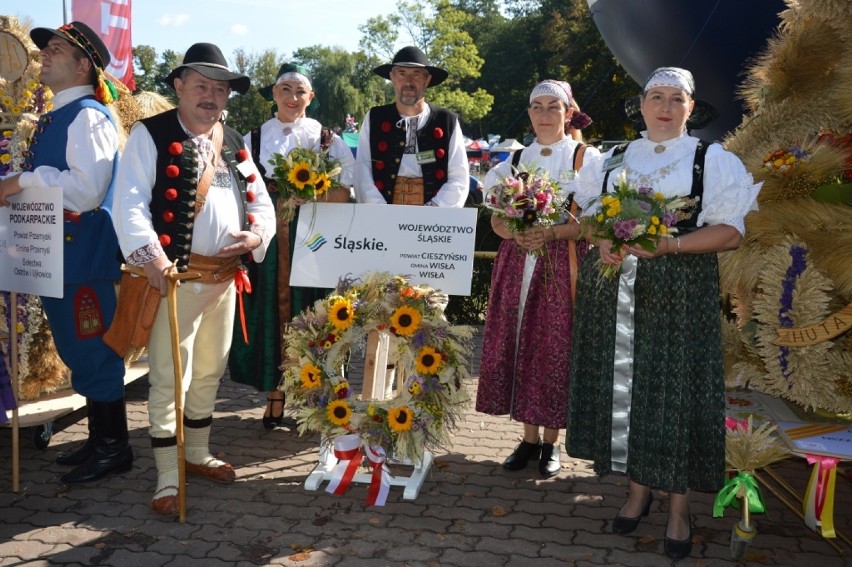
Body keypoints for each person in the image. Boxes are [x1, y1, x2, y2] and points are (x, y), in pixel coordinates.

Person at [566, 67, 761, 559]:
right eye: (657, 96)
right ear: (642, 104)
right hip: (614, 288)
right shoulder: (612, 158)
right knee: (626, 386)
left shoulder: (709, 159)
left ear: (691, 108)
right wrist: (605, 240)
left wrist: (670, 244)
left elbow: (732, 233)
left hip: (679, 287)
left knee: (672, 393)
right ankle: (637, 489)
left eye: (677, 98)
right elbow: (589, 219)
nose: (666, 106)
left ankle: (678, 506)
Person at [111, 43, 275, 516]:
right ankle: (167, 477)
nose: (211, 95)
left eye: (220, 88)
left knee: (207, 373)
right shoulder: (151, 134)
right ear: (179, 86)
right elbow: (129, 204)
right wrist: (154, 262)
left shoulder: (236, 140)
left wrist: (256, 234)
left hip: (225, 280)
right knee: (167, 379)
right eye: (201, 85)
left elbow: (259, 199)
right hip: (175, 280)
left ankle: (196, 454)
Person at [0, 21, 132, 484]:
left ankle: (115, 447)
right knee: (78, 348)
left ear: (83, 66)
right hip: (63, 255)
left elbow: (86, 192)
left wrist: (23, 181)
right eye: (46, 49)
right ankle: (100, 439)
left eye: (56, 50)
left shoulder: (89, 117)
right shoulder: (60, 116)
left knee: (94, 349)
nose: (45, 56)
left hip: (82, 255)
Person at [475, 80, 600, 478]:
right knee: (521, 344)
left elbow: (596, 225)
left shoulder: (585, 159)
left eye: (553, 107)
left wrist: (553, 232)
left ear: (568, 113)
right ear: (529, 113)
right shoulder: (512, 162)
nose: (544, 115)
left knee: (553, 347)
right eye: (537, 107)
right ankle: (528, 438)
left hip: (563, 263)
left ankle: (552, 441)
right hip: (518, 263)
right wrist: (511, 231)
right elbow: (495, 219)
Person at [227, 63, 354, 429]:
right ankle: (275, 397)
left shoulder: (327, 138)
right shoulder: (252, 138)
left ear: (310, 97)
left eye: (300, 91)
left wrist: (314, 194)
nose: (293, 97)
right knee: (270, 311)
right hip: (266, 238)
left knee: (315, 311)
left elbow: (345, 189)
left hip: (314, 240)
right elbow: (238, 188)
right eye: (285, 89)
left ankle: (322, 399)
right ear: (273, 94)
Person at [354, 46, 469, 207]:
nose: (408, 82)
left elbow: (459, 175)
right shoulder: (375, 118)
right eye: (402, 74)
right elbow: (363, 171)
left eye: (416, 74)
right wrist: (382, 212)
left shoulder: (446, 120)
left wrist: (432, 211)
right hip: (382, 215)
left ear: (427, 80)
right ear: (392, 77)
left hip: (432, 221)